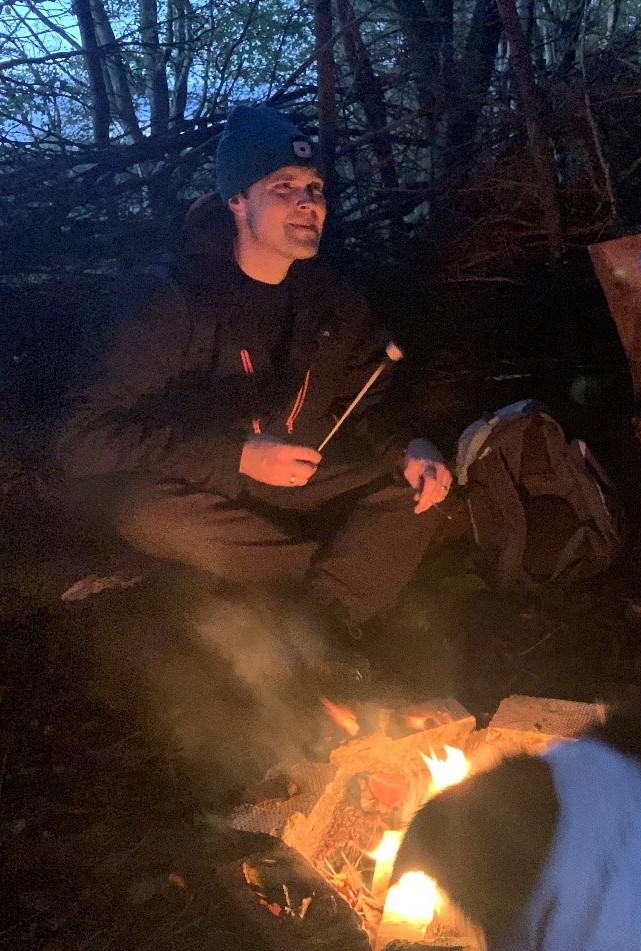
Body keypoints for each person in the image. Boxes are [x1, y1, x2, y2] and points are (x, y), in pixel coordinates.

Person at [56, 104, 453, 654]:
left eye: (314, 187)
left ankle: (313, 624)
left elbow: (371, 403)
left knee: (420, 493)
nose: (308, 202)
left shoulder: (334, 302)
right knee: (145, 512)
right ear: (237, 200)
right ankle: (332, 597)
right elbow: (82, 437)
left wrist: (411, 445)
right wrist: (236, 457)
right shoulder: (175, 302)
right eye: (283, 186)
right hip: (213, 485)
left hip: (306, 479)